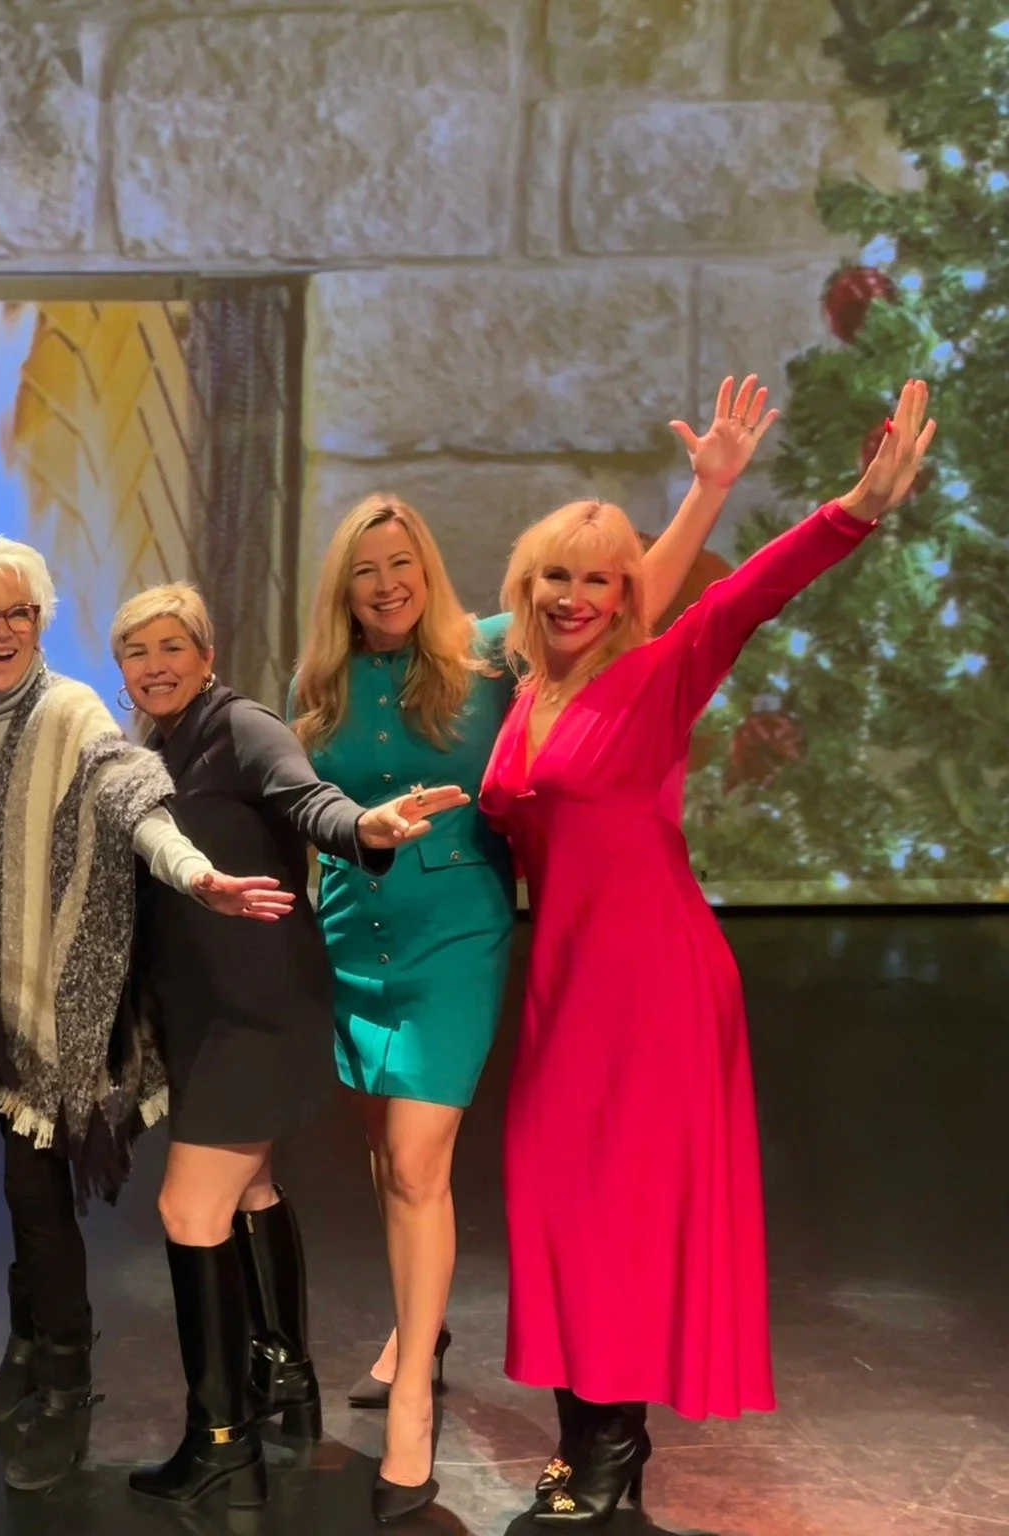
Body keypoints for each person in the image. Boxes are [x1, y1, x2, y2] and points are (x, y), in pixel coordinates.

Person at [291, 378, 779, 1517]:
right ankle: (424, 1332)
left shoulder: (493, 654)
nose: (386, 583)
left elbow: (629, 601)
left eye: (402, 561)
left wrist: (705, 493)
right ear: (341, 589)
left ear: (433, 573)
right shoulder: (316, 686)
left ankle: (437, 1395)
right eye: (363, 569)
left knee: (426, 1166)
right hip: (374, 945)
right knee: (398, 1166)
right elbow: (299, 803)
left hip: (493, 946)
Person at [483, 382, 936, 1527]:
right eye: (556, 575)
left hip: (650, 982)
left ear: (624, 592)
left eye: (598, 577)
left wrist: (851, 510)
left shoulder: (656, 672)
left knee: (620, 1212)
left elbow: (741, 593)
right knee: (554, 1204)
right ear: (526, 588)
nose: (574, 594)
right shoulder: (527, 689)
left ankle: (609, 1455)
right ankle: (581, 1433)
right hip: (561, 986)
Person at [0, 537, 292, 1492]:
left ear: (43, 622)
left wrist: (196, 873)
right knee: (17, 1192)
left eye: (20, 613)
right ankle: (31, 1353)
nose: (1, 631)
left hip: (60, 1007)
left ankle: (67, 1388)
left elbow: (136, 801)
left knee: (40, 1200)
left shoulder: (76, 709)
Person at [108, 582, 469, 1511]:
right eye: (136, 653)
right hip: (204, 1010)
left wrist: (365, 828)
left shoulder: (242, 724)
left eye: (171, 647)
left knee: (193, 1211)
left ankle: (222, 1440)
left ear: (206, 653)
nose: (155, 665)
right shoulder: (155, 748)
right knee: (252, 1189)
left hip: (257, 1009)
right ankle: (286, 1377)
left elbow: (308, 801)